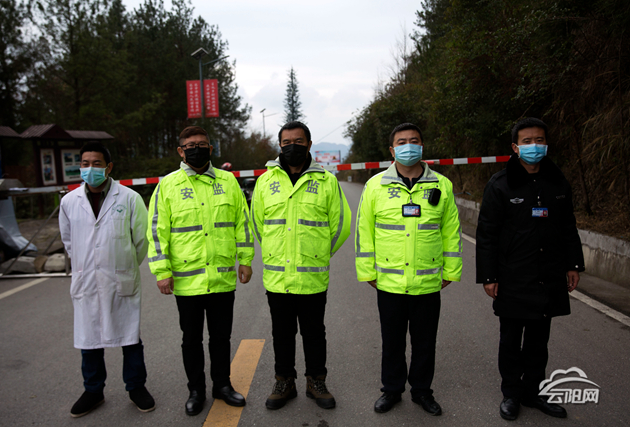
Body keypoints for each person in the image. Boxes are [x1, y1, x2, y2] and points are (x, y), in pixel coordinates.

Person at [476, 117, 585, 421]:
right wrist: (489, 276)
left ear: (546, 144)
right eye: (527, 141)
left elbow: (568, 226)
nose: (534, 146)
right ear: (515, 147)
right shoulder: (500, 184)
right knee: (511, 339)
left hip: (548, 274)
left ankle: (534, 392)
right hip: (512, 275)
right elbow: (487, 233)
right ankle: (511, 393)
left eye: (539, 140)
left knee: (539, 340)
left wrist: (573, 264)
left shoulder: (558, 182)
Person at [355, 123, 462, 415]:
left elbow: (451, 231)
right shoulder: (376, 185)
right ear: (392, 151)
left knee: (425, 342)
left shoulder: (441, 185)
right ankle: (391, 390)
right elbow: (364, 230)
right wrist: (367, 271)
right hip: (388, 282)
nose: (408, 146)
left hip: (427, 281)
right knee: (392, 342)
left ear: (422, 147)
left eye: (414, 141)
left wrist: (451, 270)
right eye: (401, 142)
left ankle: (422, 391)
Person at [146, 126, 254, 416]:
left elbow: (242, 223)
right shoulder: (168, 185)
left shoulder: (228, 182)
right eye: (191, 145)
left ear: (211, 148)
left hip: (221, 278)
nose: (197, 149)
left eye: (202, 144)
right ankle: (196, 390)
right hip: (187, 281)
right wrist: (161, 271)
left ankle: (222, 385)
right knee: (191, 340)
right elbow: (157, 231)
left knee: (221, 337)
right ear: (181, 151)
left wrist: (245, 259)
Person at [251, 121, 351, 410]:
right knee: (281, 334)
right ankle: (284, 381)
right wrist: (275, 252)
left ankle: (316, 381)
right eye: (286, 142)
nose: (291, 146)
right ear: (279, 146)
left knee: (314, 333)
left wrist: (318, 254)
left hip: (312, 276)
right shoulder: (265, 182)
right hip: (278, 277)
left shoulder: (326, 181)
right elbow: (258, 223)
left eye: (298, 141)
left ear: (309, 144)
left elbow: (341, 225)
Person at [59, 142, 154, 417]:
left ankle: (136, 387)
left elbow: (141, 240)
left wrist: (123, 264)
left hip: (119, 277)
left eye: (96, 163)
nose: (90, 168)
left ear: (109, 167)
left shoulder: (129, 198)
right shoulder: (69, 202)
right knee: (89, 339)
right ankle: (93, 390)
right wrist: (87, 265)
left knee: (129, 337)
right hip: (86, 280)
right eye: (85, 164)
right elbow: (69, 241)